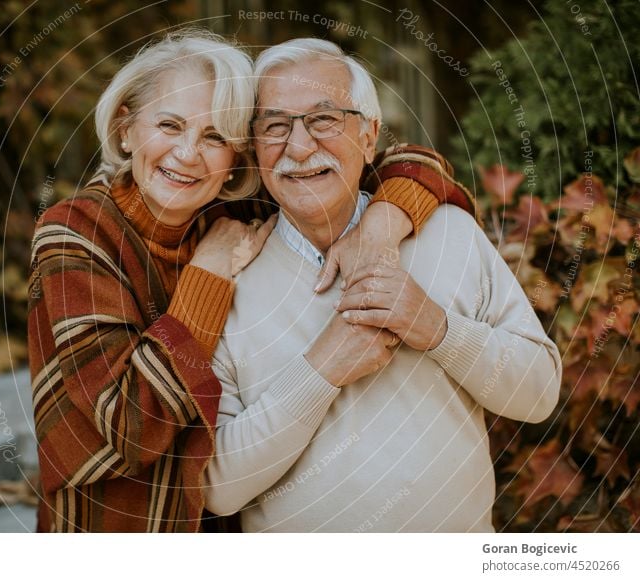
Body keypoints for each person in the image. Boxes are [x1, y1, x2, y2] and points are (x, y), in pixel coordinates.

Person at [28, 30, 470, 533]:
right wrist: (208, 270)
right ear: (126, 129)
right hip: (123, 525)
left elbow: (416, 163)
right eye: (169, 125)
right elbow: (132, 424)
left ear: (238, 154)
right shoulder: (76, 232)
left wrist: (382, 225)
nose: (190, 154)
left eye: (216, 136)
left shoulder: (242, 203)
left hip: (234, 516)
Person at [203, 38, 562, 532]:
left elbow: (539, 394)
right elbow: (218, 488)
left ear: (369, 137)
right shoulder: (230, 275)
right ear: (254, 147)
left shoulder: (447, 233)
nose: (299, 146)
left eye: (324, 119)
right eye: (275, 125)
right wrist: (321, 371)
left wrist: (436, 328)